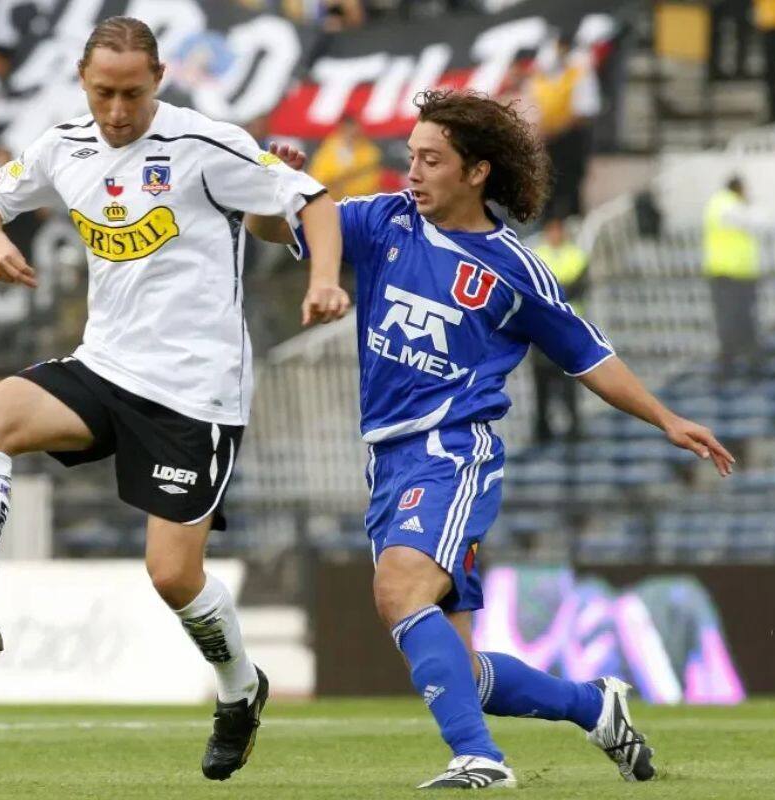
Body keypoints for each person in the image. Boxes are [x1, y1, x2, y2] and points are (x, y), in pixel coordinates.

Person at [246, 89, 734, 789]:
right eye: (410, 156)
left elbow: (588, 356)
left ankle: (481, 761)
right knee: (457, 667)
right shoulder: (383, 221)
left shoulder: (515, 268)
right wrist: (270, 193)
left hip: (450, 453)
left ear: (476, 172)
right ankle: (593, 705)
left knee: (399, 592)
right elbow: (279, 231)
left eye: (430, 159)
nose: (411, 171)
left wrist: (667, 419)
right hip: (387, 458)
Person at [0, 15, 348, 783]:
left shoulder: (204, 145)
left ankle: (241, 689)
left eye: (132, 95)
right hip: (106, 365)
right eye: (104, 93)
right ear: (83, 82)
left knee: (173, 576)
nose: (117, 111)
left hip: (195, 390)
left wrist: (324, 279)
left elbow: (310, 205)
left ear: (159, 82)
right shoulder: (64, 145)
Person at [527, 34, 600, 220]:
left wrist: (556, 130)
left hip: (569, 139)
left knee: (570, 187)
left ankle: (571, 224)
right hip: (547, 141)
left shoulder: (578, 73)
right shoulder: (541, 78)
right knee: (547, 189)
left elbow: (584, 112)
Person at [532, 217, 589, 442]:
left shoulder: (575, 255)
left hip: (568, 329)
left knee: (569, 383)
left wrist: (554, 293)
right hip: (542, 331)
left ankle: (574, 429)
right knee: (542, 383)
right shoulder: (537, 255)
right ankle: (542, 430)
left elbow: (581, 286)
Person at [703, 176, 761, 379]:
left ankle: (740, 365)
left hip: (738, 274)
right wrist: (748, 205)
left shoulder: (724, 203)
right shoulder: (726, 203)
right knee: (733, 322)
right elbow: (752, 220)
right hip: (730, 275)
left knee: (741, 322)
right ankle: (730, 367)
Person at [309, 115, 383, 201]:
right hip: (333, 203)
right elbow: (318, 179)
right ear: (341, 129)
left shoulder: (369, 152)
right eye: (347, 130)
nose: (351, 133)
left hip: (360, 204)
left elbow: (371, 181)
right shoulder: (327, 151)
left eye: (354, 130)